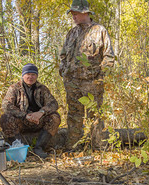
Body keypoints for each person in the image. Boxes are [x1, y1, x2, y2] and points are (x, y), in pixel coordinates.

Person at [60, 0, 115, 150]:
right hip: (72, 83)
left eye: (75, 13)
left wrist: (100, 78)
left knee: (95, 116)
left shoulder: (99, 31)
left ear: (85, 12)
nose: (73, 17)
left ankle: (99, 148)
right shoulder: (71, 33)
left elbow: (109, 56)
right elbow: (63, 56)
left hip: (92, 82)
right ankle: (73, 147)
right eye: (72, 14)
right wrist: (64, 73)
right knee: (74, 116)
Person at [0, 63, 61, 159]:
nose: (30, 77)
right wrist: (25, 115)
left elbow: (53, 103)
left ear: (36, 76)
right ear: (23, 75)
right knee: (5, 118)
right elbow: (6, 105)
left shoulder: (42, 88)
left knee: (55, 117)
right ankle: (20, 148)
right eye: (28, 74)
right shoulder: (15, 88)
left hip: (38, 120)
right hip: (22, 120)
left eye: (33, 74)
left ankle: (39, 148)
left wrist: (40, 113)